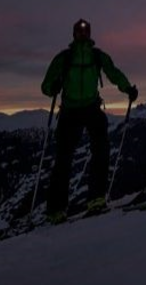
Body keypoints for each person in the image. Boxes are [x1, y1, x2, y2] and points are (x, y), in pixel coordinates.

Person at [41, 18, 138, 223]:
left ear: (90, 33)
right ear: (74, 34)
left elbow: (113, 73)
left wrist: (127, 88)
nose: (83, 34)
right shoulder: (65, 58)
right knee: (64, 160)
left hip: (89, 107)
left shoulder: (97, 55)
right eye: (79, 31)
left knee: (99, 151)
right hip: (71, 110)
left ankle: (95, 199)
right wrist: (53, 87)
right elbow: (46, 85)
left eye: (85, 31)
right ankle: (57, 209)